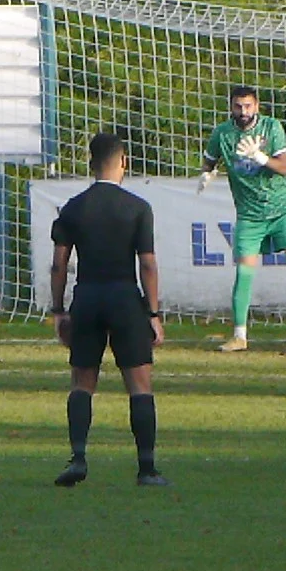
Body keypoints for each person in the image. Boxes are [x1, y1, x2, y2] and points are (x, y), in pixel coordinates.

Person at [49, 132, 170, 488]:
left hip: (87, 298)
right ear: (124, 162)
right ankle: (146, 468)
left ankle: (78, 458)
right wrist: (153, 313)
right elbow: (147, 264)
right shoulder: (137, 208)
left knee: (82, 382)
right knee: (139, 384)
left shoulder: (73, 208)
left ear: (91, 164)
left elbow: (59, 265)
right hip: (125, 299)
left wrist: (59, 310)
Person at [198, 85, 286, 352]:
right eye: (238, 106)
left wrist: (260, 157)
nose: (243, 111)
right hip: (250, 214)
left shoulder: (271, 127)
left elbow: (284, 167)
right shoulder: (222, 133)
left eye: (248, 106)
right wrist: (206, 174)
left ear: (256, 106)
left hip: (282, 209)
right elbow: (209, 161)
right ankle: (239, 335)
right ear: (231, 107)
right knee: (244, 271)